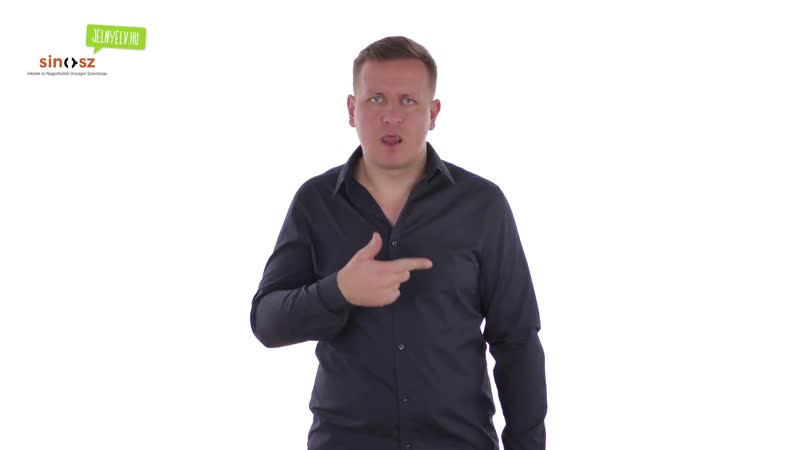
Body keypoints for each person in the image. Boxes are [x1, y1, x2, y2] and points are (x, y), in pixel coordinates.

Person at [250, 36, 547, 450]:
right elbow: (266, 322)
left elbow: (517, 340)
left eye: (408, 101)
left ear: (433, 113)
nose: (391, 117)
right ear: (351, 110)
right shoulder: (315, 203)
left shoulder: (482, 205)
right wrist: (339, 291)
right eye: (376, 99)